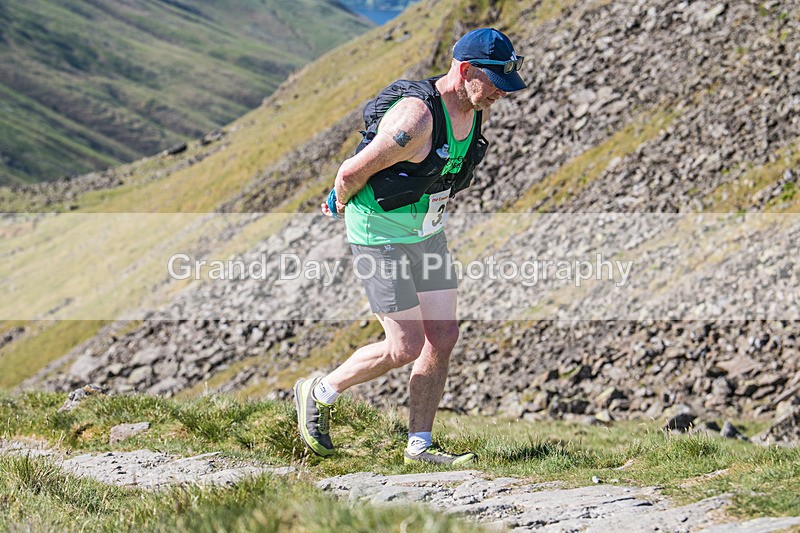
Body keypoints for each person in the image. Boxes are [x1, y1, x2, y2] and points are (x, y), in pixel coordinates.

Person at [295, 28, 527, 465]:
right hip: (379, 235)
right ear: (464, 71)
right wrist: (338, 202)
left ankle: (419, 446)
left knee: (443, 336)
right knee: (404, 346)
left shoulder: (476, 106)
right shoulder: (415, 120)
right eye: (494, 81)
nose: (500, 93)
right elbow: (350, 172)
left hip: (426, 233)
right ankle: (320, 391)